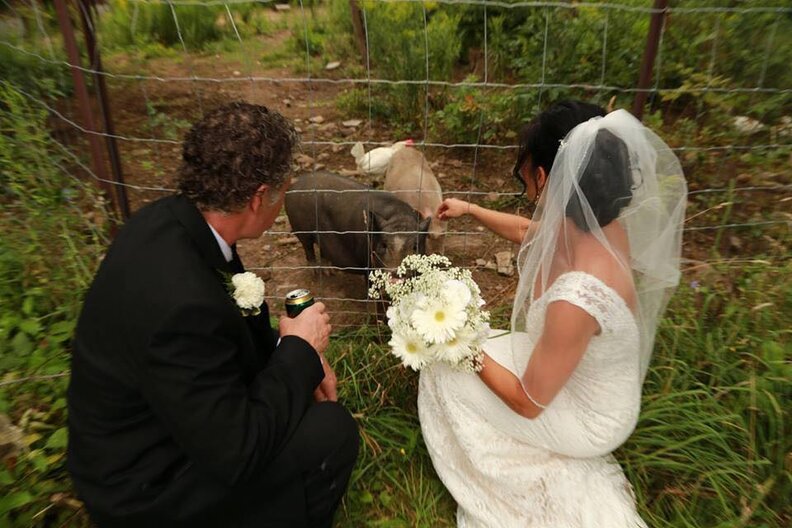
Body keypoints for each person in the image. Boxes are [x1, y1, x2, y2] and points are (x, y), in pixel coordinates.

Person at [67, 102, 359, 528]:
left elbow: (219, 339)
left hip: (158, 426)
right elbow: (236, 452)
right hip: (143, 490)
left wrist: (293, 354)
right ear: (260, 197)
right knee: (331, 432)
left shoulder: (167, 222)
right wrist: (299, 350)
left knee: (299, 405)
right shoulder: (182, 306)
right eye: (283, 189)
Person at [420, 101, 687, 526]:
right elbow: (528, 232)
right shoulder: (598, 224)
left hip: (591, 417)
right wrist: (470, 210)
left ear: (543, 177)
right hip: (577, 373)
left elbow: (527, 403)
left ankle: (511, 482)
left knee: (443, 371)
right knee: (475, 351)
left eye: (525, 171)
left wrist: (459, 338)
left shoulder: (578, 296)